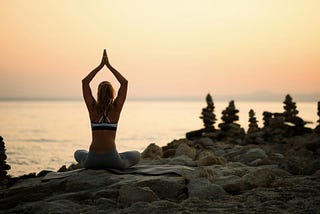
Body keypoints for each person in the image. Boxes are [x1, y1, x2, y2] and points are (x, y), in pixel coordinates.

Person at [74, 49, 140, 169]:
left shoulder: (93, 109)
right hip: (112, 159)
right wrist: (109, 66)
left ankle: (98, 158)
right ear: (112, 93)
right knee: (137, 155)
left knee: (78, 153)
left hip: (92, 160)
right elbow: (124, 83)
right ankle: (117, 157)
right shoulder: (116, 109)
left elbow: (85, 82)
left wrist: (100, 66)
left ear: (98, 93)